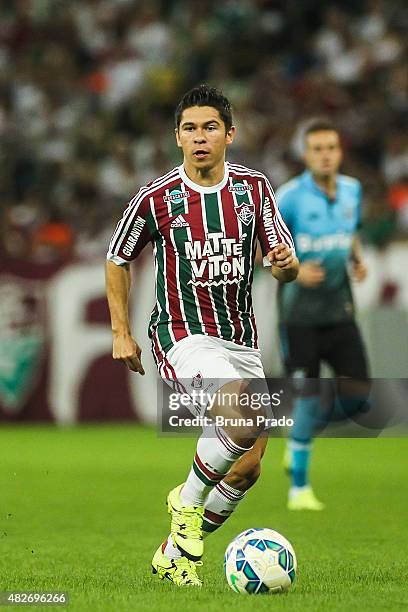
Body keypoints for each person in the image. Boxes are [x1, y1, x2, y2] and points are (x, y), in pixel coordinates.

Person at [105, 85, 298, 586]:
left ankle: (172, 554)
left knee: (248, 466)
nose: (199, 137)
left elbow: (284, 264)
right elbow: (117, 258)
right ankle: (185, 502)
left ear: (230, 134)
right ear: (177, 137)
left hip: (240, 340)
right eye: (189, 128)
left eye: (210, 127)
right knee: (236, 413)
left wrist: (286, 265)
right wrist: (121, 332)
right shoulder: (158, 197)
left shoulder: (254, 190)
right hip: (181, 333)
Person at [275, 118, 369, 511]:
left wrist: (357, 259)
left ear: (340, 151)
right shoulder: (290, 197)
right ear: (306, 155)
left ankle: (299, 431)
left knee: (360, 399)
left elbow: (350, 232)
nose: (325, 155)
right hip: (299, 315)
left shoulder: (352, 190)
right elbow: (266, 246)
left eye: (331, 147)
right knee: (309, 393)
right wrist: (294, 268)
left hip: (340, 309)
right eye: (317, 149)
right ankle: (299, 488)